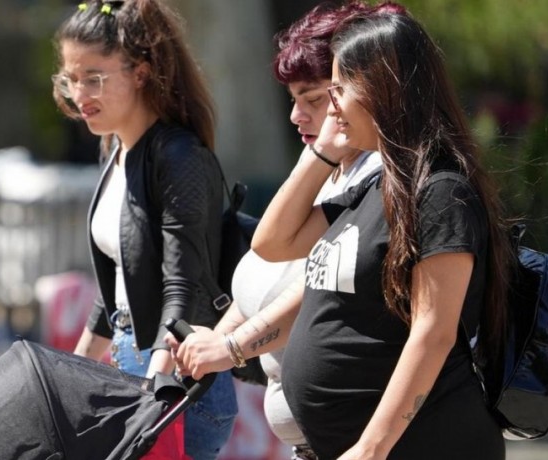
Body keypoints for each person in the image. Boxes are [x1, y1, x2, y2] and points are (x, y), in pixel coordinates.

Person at [248, 6, 512, 460]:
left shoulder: (441, 190)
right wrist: (326, 152)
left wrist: (371, 447)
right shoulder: (378, 185)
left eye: (339, 91)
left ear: (384, 89)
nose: (330, 109)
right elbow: (273, 242)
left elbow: (433, 332)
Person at [166, 2, 387, 459]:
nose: (296, 116)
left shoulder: (379, 176)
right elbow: (265, 262)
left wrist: (230, 349)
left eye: (312, 99)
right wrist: (207, 340)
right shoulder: (331, 169)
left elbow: (316, 291)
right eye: (293, 100)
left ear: (361, 89)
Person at [51, 1, 237, 459]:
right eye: (70, 78)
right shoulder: (113, 148)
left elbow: (184, 287)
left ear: (140, 72)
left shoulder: (178, 157)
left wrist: (157, 388)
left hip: (178, 383)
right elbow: (116, 283)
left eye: (93, 78)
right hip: (130, 362)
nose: (79, 94)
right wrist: (72, 371)